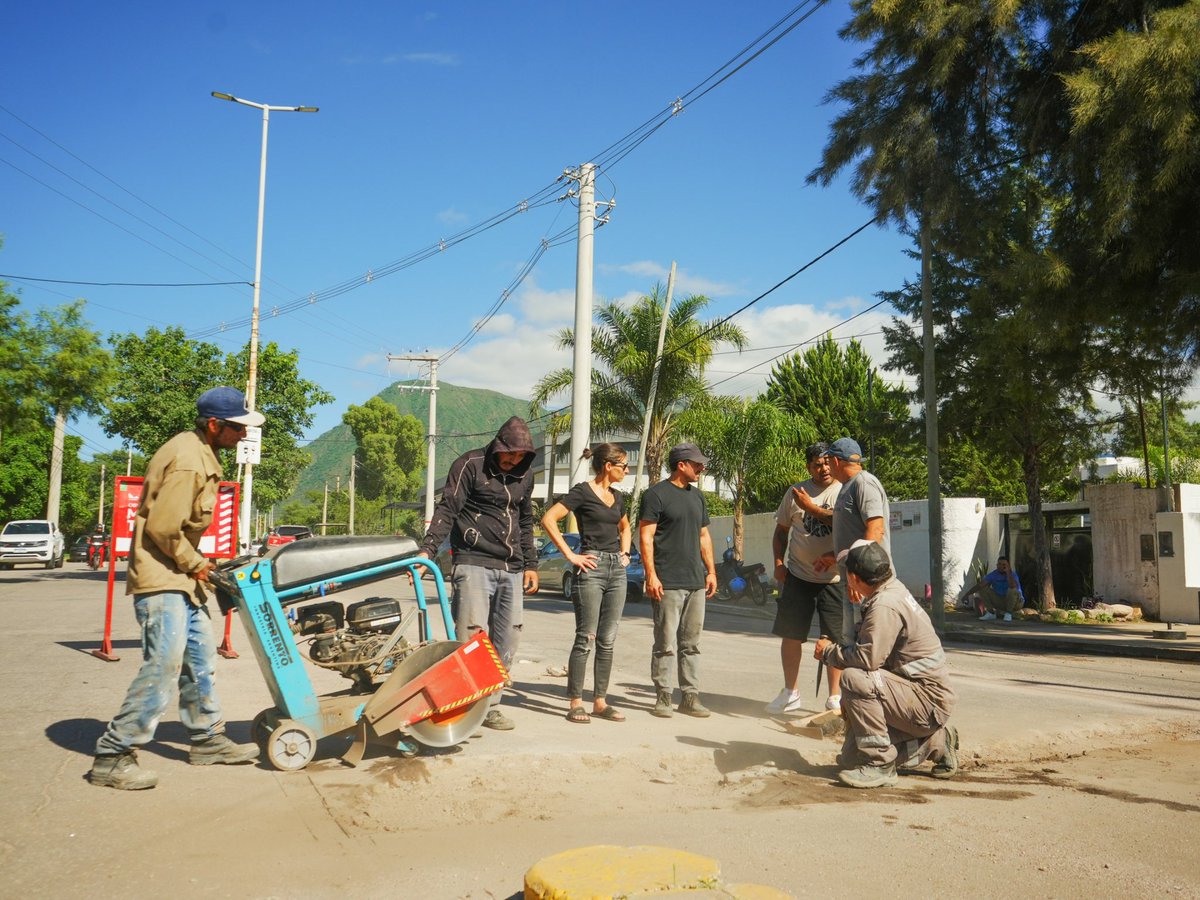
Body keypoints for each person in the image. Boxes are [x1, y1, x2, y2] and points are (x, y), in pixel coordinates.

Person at [90, 387, 264, 790]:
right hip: (162, 578)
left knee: (200, 658)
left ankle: (206, 739)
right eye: (237, 428)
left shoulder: (202, 453)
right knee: (163, 665)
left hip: (181, 578)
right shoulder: (188, 461)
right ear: (215, 425)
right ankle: (113, 754)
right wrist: (196, 563)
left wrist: (202, 566)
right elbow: (163, 528)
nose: (243, 435)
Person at [417, 416, 539, 731]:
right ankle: (465, 706)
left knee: (507, 640)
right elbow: (447, 509)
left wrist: (532, 564)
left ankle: (491, 706)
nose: (514, 461)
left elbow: (525, 522)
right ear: (498, 446)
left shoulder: (526, 476)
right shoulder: (470, 465)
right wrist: (426, 551)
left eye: (520, 456)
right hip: (473, 562)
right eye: (509, 454)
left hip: (511, 569)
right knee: (470, 639)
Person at [813, 540, 958, 789]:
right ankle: (936, 742)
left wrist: (829, 653)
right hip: (917, 695)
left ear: (855, 578)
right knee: (850, 760)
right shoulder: (891, 589)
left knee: (852, 678)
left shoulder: (884, 605)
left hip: (926, 701)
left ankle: (880, 764)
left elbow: (868, 659)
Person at [541, 443, 632, 724]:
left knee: (608, 640)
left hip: (617, 571)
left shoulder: (617, 498)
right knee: (586, 638)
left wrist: (625, 554)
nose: (626, 471)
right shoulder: (582, 491)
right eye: (623, 466)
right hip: (590, 568)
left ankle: (600, 702)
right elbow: (548, 519)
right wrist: (571, 555)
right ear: (608, 466)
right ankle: (576, 702)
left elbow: (626, 527)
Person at [639, 442, 718, 718]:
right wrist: (651, 575)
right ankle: (663, 697)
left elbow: (704, 536)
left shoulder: (697, 497)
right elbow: (646, 537)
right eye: (696, 464)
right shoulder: (655, 495)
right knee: (665, 642)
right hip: (667, 580)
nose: (701, 468)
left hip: (695, 580)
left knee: (691, 643)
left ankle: (690, 697)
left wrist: (711, 571)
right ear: (681, 464)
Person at [766, 442, 844, 714]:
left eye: (826, 463)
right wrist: (778, 563)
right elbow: (781, 531)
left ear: (834, 463)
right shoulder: (795, 493)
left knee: (834, 640)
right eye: (816, 464)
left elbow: (847, 528)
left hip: (834, 580)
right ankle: (791, 692)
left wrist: (834, 557)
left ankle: (835, 697)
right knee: (790, 635)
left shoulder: (844, 491)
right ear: (808, 467)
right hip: (798, 576)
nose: (822, 469)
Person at [815, 437, 891, 645]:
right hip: (855, 581)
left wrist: (858, 576)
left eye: (828, 460)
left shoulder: (864, 484)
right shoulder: (848, 486)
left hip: (867, 583)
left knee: (864, 645)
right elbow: (855, 533)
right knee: (851, 641)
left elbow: (875, 531)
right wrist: (835, 556)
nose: (827, 466)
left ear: (836, 461)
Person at [960, 555, 1024, 621]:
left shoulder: (1013, 574)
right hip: (1001, 601)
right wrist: (967, 595)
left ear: (1008, 566)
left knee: (1012, 590)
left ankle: (1008, 613)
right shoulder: (993, 574)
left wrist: (1008, 572)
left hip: (1016, 603)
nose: (1001, 566)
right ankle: (990, 613)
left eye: (1004, 564)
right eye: (999, 564)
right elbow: (980, 585)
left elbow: (1013, 586)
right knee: (983, 589)